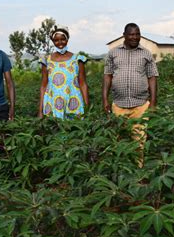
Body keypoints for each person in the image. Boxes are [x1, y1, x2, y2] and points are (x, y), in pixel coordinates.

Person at [102, 23, 159, 167]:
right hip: (118, 104)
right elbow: (107, 76)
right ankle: (121, 169)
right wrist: (105, 100)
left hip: (140, 105)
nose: (135, 37)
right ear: (124, 35)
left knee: (139, 141)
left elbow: (152, 77)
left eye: (137, 34)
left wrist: (153, 103)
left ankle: (138, 171)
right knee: (119, 139)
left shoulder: (146, 53)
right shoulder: (113, 53)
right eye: (131, 34)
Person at [38, 26, 89, 119]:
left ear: (67, 39)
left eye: (63, 39)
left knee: (75, 129)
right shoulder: (46, 61)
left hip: (74, 103)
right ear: (53, 41)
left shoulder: (77, 59)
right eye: (56, 40)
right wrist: (40, 111)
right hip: (53, 103)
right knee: (54, 130)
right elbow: (43, 85)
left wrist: (87, 107)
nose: (60, 43)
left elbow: (83, 84)